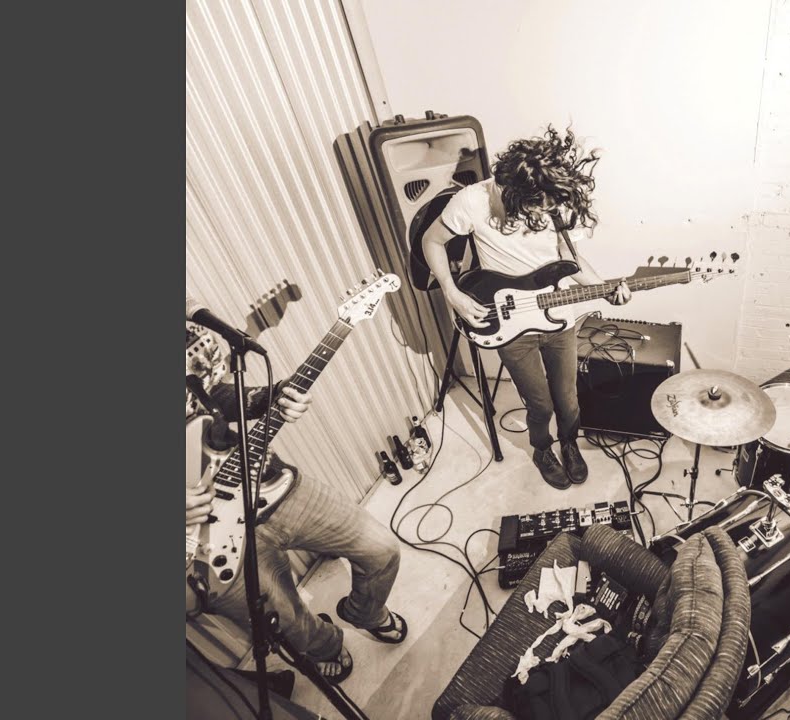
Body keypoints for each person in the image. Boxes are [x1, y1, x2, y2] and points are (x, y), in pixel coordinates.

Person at [185, 318, 408, 684]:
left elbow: (218, 395)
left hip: (262, 479)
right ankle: (326, 647)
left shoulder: (191, 328)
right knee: (288, 622)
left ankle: (365, 613)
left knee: (381, 550)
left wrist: (273, 396)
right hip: (201, 544)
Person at [421, 126, 630, 490]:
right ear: (514, 192)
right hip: (509, 322)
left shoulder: (555, 201)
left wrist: (605, 289)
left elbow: (569, 260)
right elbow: (431, 241)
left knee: (568, 398)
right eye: (535, 207)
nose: (541, 212)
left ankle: (569, 443)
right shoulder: (472, 200)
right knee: (540, 404)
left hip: (557, 317)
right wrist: (452, 294)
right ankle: (542, 448)